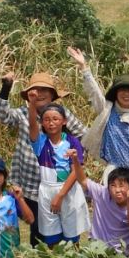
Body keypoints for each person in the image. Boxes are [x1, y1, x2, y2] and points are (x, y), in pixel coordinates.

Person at [0, 71, 88, 246]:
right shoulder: (23, 114)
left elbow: (85, 136)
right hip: (31, 186)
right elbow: (0, 115)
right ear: (30, 95)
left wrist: (76, 157)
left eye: (45, 90)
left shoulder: (63, 114)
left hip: (63, 185)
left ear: (52, 95)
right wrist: (6, 87)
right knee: (39, 231)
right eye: (36, 90)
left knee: (68, 229)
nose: (41, 93)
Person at [69, 47, 129, 195]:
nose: (127, 94)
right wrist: (84, 67)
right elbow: (94, 92)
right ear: (116, 93)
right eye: (122, 90)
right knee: (112, 208)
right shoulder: (107, 111)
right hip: (114, 175)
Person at [28, 102, 89, 245]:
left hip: (69, 190)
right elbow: (32, 125)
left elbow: (76, 171)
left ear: (64, 121)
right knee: (51, 236)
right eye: (47, 119)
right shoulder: (40, 142)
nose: (51, 123)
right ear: (42, 123)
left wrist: (60, 195)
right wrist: (32, 104)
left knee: (72, 236)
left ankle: (72, 257)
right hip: (47, 190)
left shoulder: (72, 142)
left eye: (55, 119)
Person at [82, 166, 129, 254]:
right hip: (94, 249)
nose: (117, 190)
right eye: (113, 185)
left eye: (121, 186)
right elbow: (83, 180)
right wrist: (75, 160)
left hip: (119, 254)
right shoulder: (102, 193)